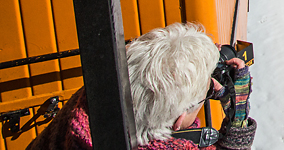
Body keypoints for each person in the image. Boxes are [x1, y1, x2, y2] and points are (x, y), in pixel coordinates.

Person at [27, 23, 256, 149]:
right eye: (206, 91)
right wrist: (238, 115)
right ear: (178, 120)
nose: (212, 87)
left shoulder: (89, 103)